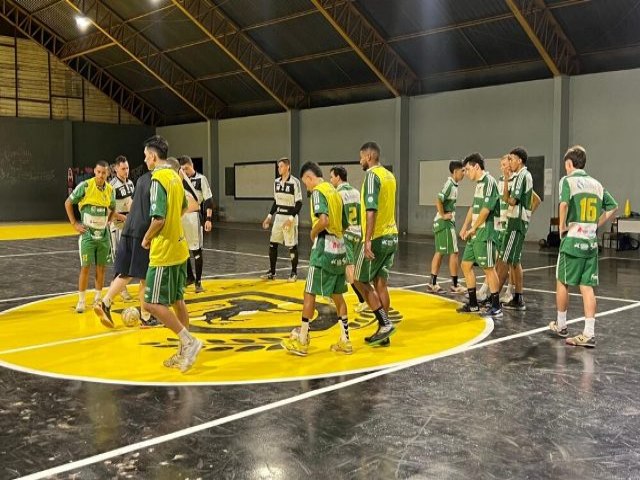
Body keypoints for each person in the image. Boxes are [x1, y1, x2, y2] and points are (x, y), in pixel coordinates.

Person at [140, 136, 202, 372]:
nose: (145, 161)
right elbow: (186, 207)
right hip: (180, 247)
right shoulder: (176, 178)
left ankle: (189, 341)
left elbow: (159, 218)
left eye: (146, 156)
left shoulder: (158, 179)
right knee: (178, 300)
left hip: (164, 250)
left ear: (153, 156)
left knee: (150, 303)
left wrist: (147, 238)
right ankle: (182, 351)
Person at [548, 145, 617, 347]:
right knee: (586, 287)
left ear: (569, 164)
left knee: (562, 281)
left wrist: (561, 228)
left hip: (572, 240)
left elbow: (563, 204)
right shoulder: (596, 184)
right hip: (590, 242)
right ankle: (589, 333)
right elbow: (613, 207)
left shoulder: (567, 181)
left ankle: (561, 326)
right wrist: (597, 223)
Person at [281, 162, 351, 356]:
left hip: (323, 248)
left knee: (309, 292)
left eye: (305, 183)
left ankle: (302, 340)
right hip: (340, 247)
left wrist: (313, 233)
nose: (307, 188)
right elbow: (345, 223)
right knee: (338, 295)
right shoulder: (336, 193)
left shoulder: (319, 192)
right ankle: (345, 341)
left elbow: (324, 220)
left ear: (310, 178)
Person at [94, 149, 162, 328]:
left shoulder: (138, 181)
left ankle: (106, 301)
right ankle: (146, 316)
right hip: (137, 231)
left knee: (126, 272)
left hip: (128, 230)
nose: (145, 159)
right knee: (144, 275)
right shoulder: (158, 180)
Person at [353, 142, 398, 346]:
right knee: (381, 283)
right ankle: (384, 332)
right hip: (392, 236)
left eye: (362, 157)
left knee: (358, 280)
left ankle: (384, 322)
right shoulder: (389, 176)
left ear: (370, 156)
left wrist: (368, 239)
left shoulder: (372, 176)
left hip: (377, 237)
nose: (360, 160)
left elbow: (371, 209)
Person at [64, 160, 115, 313]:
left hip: (103, 236)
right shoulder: (86, 186)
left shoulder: (110, 189)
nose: (100, 175)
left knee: (101, 268)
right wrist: (74, 224)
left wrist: (109, 220)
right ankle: (81, 300)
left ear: (107, 173)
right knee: (85, 267)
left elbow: (112, 207)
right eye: (98, 172)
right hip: (88, 234)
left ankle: (98, 298)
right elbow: (68, 202)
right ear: (94, 171)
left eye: (103, 173)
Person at [457, 153, 502, 317]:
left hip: (486, 231)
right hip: (475, 231)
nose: (466, 173)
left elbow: (486, 209)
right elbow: (474, 207)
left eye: (468, 169)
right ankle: (474, 304)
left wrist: (474, 228)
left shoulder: (489, 182)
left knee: (489, 268)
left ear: (477, 166)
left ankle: (496, 306)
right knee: (466, 265)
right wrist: (464, 226)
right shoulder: (479, 185)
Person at [329, 166, 368, 313]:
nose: (331, 180)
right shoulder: (356, 192)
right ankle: (332, 293)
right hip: (358, 233)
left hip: (346, 234)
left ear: (338, 177)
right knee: (352, 269)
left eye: (332, 177)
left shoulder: (337, 194)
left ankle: (364, 299)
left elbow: (336, 216)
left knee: (350, 272)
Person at [426, 160, 466, 294]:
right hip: (444, 223)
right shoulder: (449, 184)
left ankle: (432, 283)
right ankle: (455, 284)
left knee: (440, 252)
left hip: (444, 223)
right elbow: (439, 199)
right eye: (462, 171)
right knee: (454, 252)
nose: (464, 173)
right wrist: (443, 215)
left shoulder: (453, 185)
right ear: (455, 172)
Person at [261, 157, 303, 281]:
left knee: (292, 246)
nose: (279, 168)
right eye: (278, 166)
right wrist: (269, 217)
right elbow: (276, 201)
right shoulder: (276, 182)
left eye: (281, 166)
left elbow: (299, 203)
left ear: (287, 167)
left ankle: (294, 273)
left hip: (290, 217)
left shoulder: (295, 182)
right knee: (273, 244)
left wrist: (291, 218)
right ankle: (272, 272)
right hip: (279, 217)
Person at [178, 155, 214, 293]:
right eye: (182, 169)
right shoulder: (179, 180)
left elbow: (208, 200)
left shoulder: (201, 179)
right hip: (182, 218)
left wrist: (208, 219)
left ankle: (198, 282)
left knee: (196, 250)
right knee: (183, 249)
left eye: (186, 168)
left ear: (191, 165)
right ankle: (189, 277)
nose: (185, 172)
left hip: (194, 218)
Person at [109, 155, 135, 302]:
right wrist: (124, 218)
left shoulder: (131, 183)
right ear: (116, 168)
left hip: (129, 225)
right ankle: (120, 289)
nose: (126, 171)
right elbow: (108, 210)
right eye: (123, 168)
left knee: (129, 257)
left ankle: (118, 286)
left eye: (127, 168)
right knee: (121, 258)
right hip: (118, 226)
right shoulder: (112, 186)